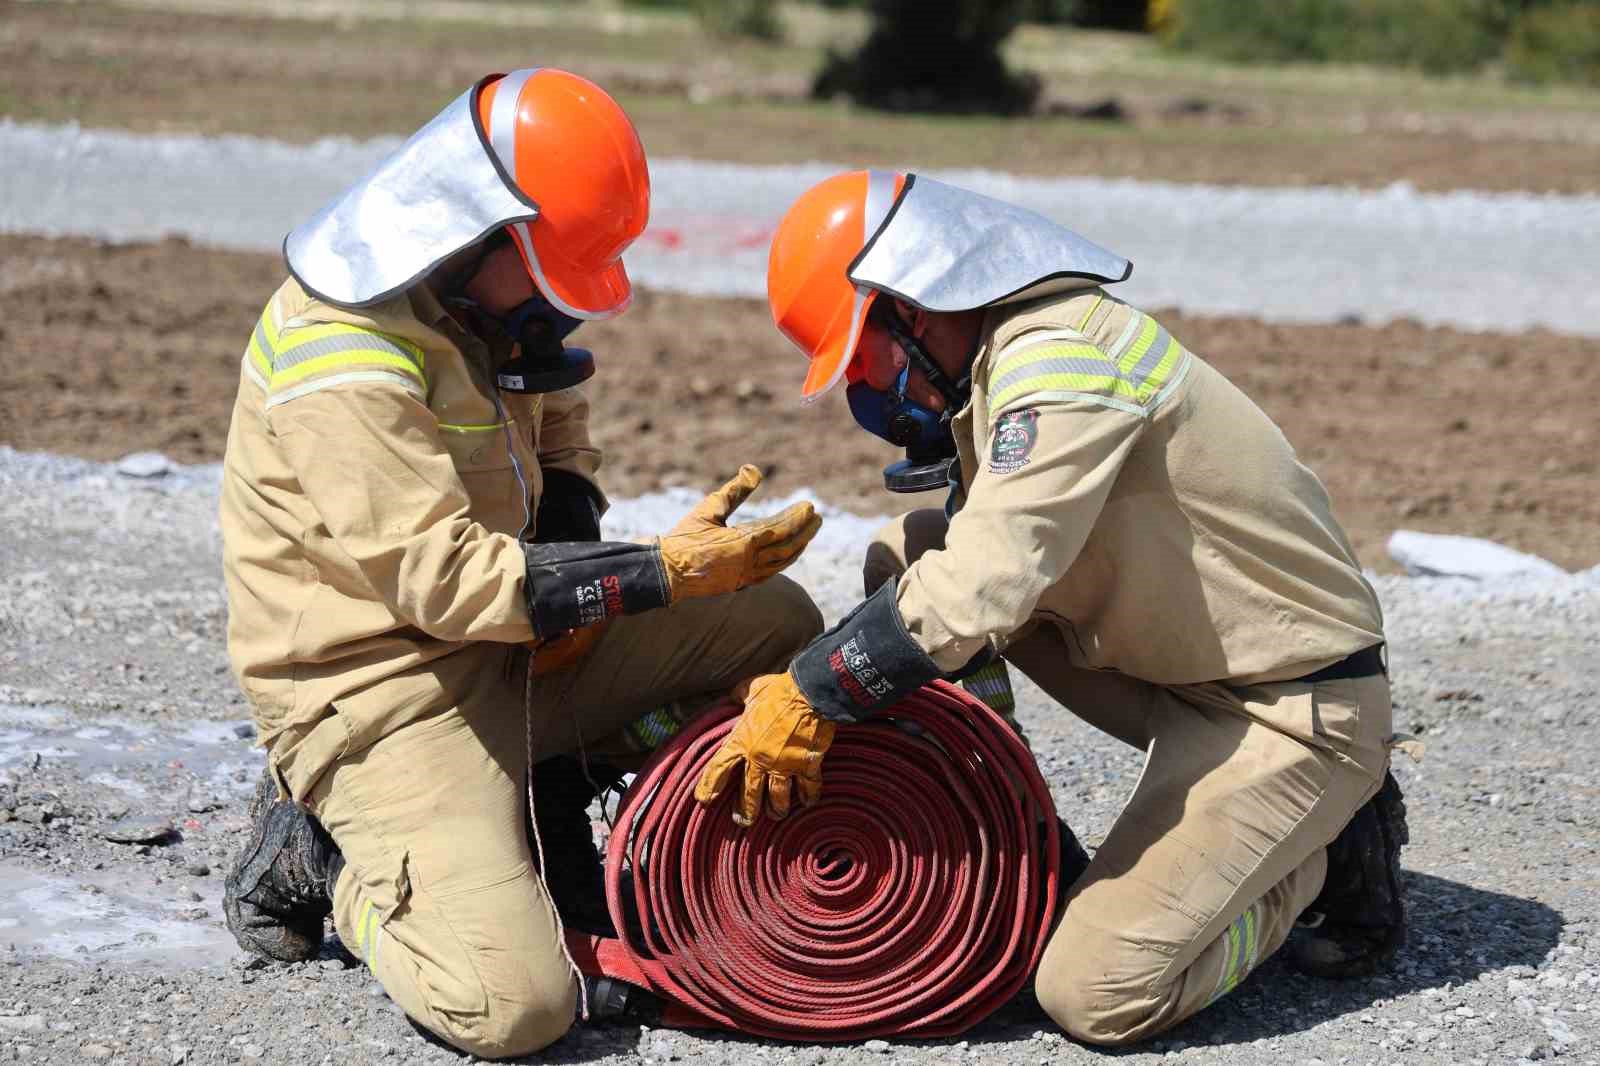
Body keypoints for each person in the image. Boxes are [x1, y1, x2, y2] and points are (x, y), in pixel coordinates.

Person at [695, 169, 1409, 1046]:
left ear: (909, 308)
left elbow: (988, 580)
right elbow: (964, 563)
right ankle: (1011, 829)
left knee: (1095, 995)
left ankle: (1320, 856)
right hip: (1182, 674)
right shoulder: (1006, 354)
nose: (868, 394)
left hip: (1292, 710)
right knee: (910, 550)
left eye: (859, 359)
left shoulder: (1059, 359)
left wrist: (815, 688)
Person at [217, 68, 824, 1059]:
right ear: (481, 227)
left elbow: (557, 429)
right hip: (388, 689)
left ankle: (545, 777)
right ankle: (329, 860)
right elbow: (444, 583)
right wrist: (650, 574)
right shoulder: (343, 351)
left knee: (777, 620)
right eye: (549, 271)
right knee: (514, 1006)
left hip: (511, 642)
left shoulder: (487, 308)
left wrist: (583, 535)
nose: (559, 304)